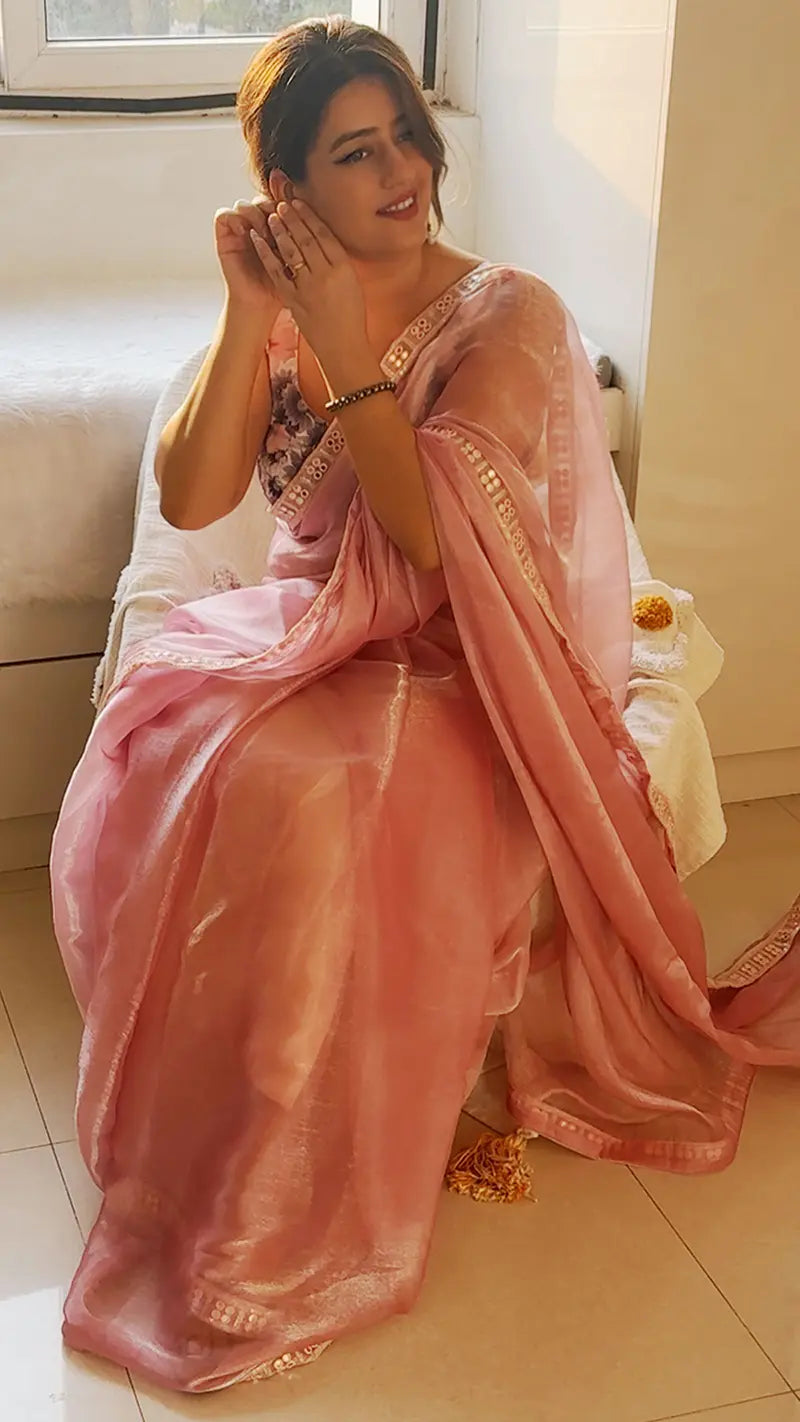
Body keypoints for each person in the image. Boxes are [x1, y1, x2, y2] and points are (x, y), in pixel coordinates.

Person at [49, 16, 800, 1395]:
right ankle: (230, 1119)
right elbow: (197, 497)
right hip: (310, 628)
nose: (403, 169)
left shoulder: (508, 311)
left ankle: (298, 1165)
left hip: (466, 664)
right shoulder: (290, 295)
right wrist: (246, 315)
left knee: (305, 792)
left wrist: (344, 349)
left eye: (406, 132)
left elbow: (446, 543)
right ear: (288, 192)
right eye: (356, 151)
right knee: (174, 742)